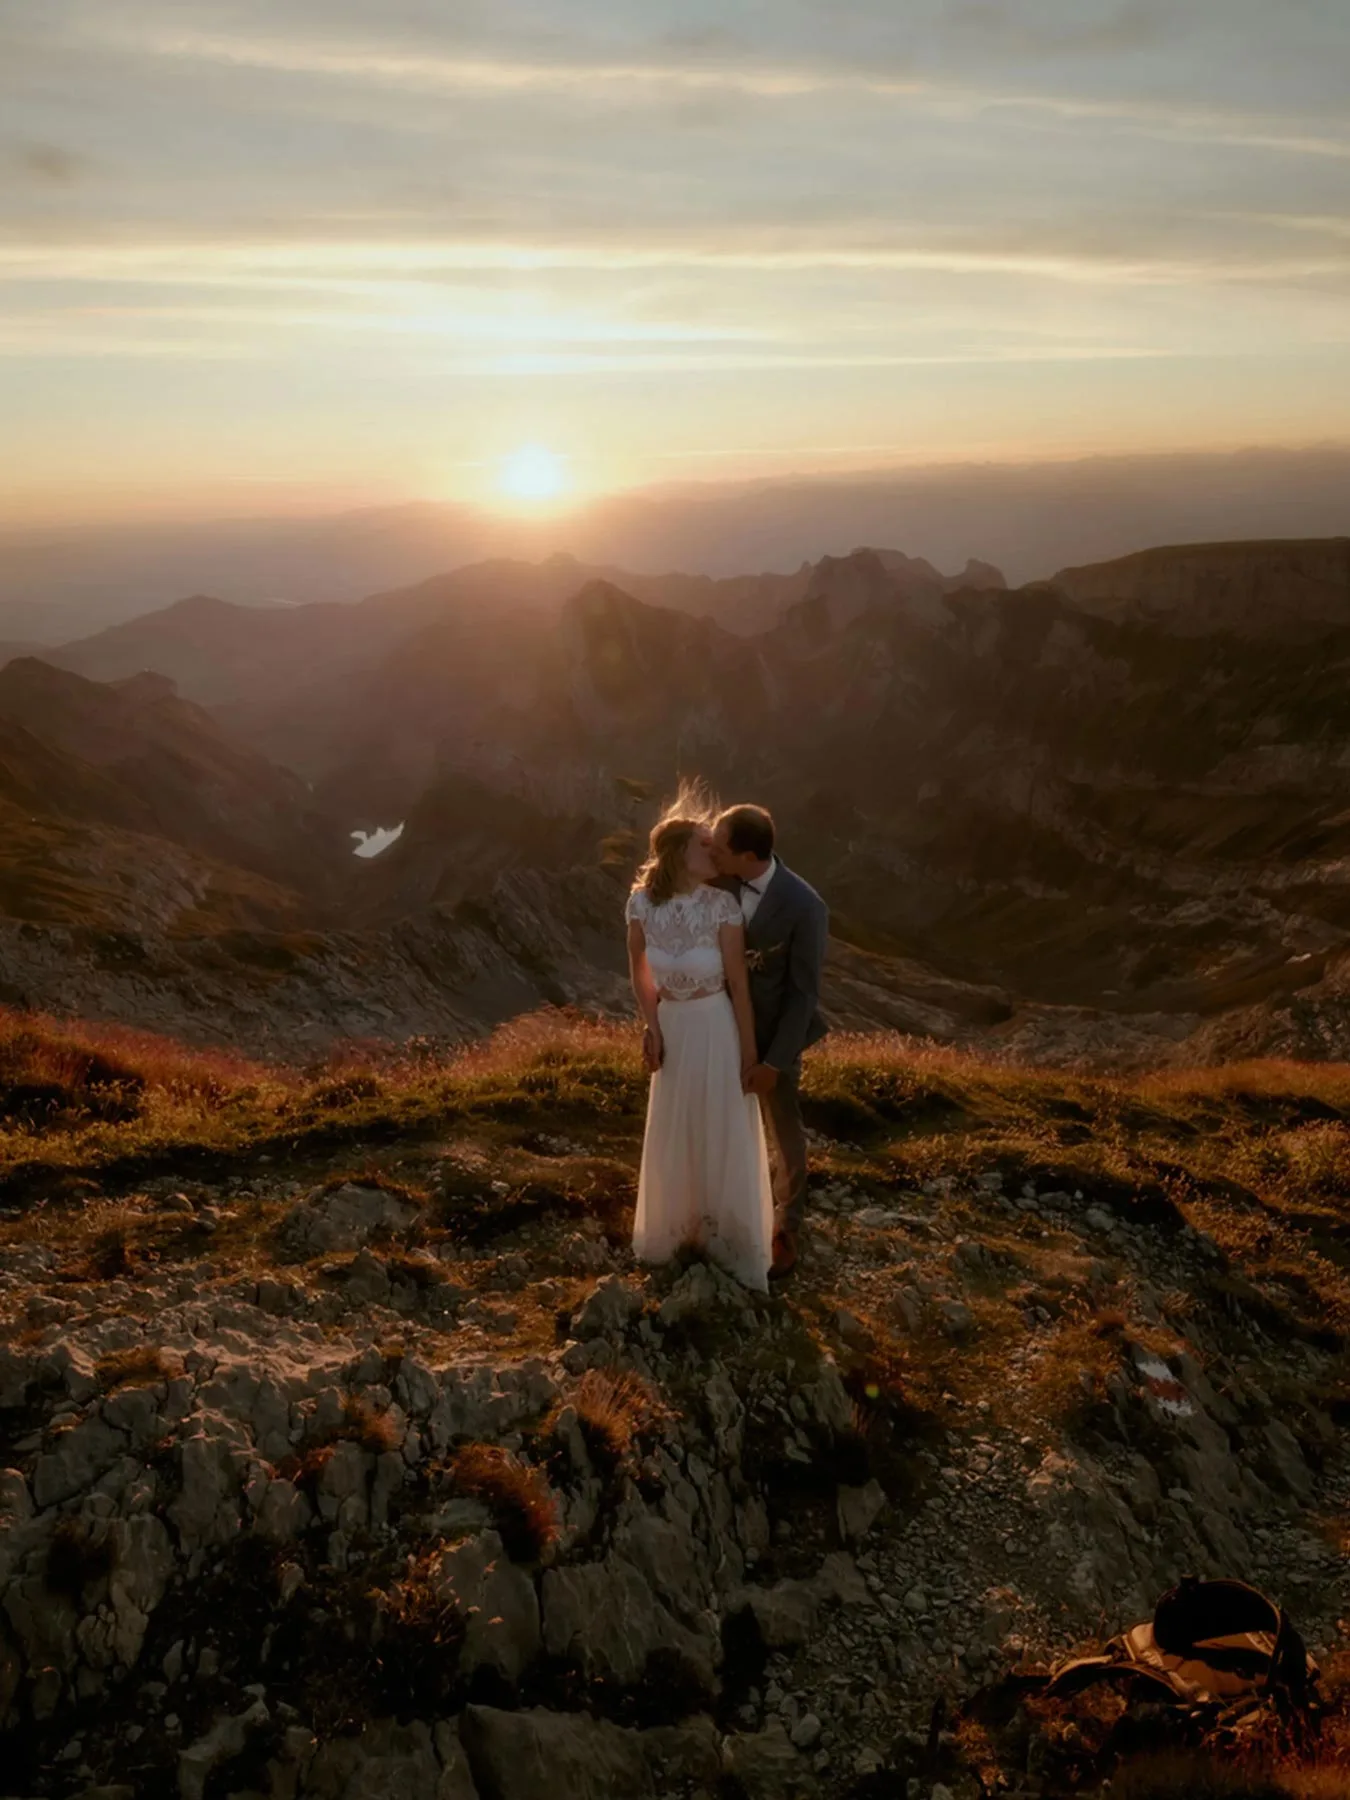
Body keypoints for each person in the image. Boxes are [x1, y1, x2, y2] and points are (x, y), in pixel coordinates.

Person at [625, 791, 774, 1290]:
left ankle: (729, 1242)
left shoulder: (721, 905)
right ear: (677, 854)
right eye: (704, 846)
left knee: (720, 1124)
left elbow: (739, 984)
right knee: (677, 1125)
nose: (713, 854)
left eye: (715, 846)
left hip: (716, 1027)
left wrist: (750, 1053)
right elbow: (639, 972)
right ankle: (677, 1233)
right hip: (674, 1027)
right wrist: (652, 1025)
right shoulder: (641, 904)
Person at [711, 803, 828, 1277]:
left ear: (747, 854)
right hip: (718, 1026)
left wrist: (775, 1061)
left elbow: (803, 994)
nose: (712, 853)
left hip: (776, 1035)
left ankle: (787, 1228)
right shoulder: (717, 882)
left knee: (784, 1129)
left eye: (720, 847)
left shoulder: (806, 906)